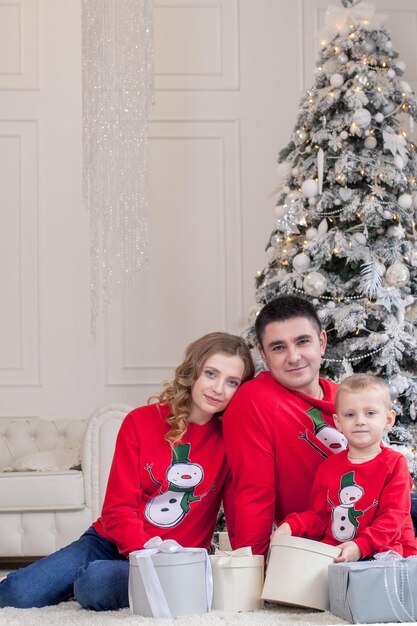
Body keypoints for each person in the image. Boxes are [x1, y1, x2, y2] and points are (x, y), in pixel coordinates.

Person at [0, 332, 254, 611]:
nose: (218, 388)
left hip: (173, 559)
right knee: (15, 594)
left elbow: (240, 504)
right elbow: (117, 509)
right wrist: (144, 552)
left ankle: (94, 580)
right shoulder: (141, 421)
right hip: (108, 541)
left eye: (232, 382)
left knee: (94, 583)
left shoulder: (231, 437)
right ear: (193, 372)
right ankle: (94, 579)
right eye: (211, 374)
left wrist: (249, 562)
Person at [222, 295, 349, 558]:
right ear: (263, 354)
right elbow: (253, 492)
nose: (293, 357)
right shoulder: (255, 400)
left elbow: (382, 470)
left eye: (303, 341)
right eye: (278, 347)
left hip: (378, 527)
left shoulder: (347, 398)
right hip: (323, 545)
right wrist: (253, 571)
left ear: (322, 342)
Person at [273, 374, 417, 561]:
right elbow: (319, 517)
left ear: (388, 420)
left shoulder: (394, 463)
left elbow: (393, 517)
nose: (360, 421)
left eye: (370, 413)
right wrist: (291, 525)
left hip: (380, 559)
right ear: (338, 422)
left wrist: (360, 546)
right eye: (350, 414)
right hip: (335, 557)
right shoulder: (328, 468)